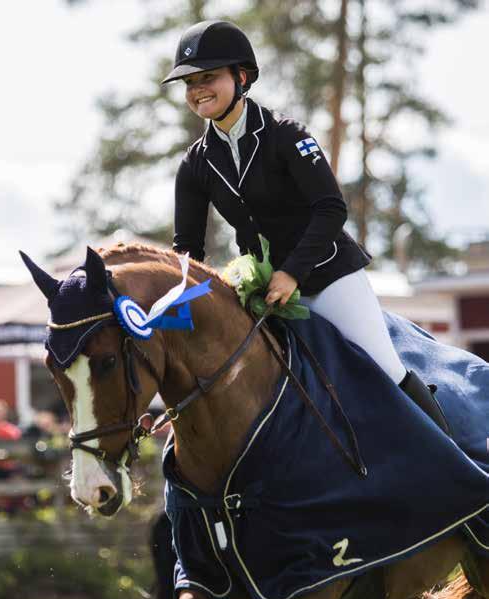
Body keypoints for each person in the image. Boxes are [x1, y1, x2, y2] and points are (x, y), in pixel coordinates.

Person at [162, 19, 449, 432]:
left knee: (385, 368)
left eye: (208, 77)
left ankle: (457, 464)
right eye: (189, 83)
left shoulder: (286, 135)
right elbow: (186, 247)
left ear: (241, 77)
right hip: (261, 290)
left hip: (327, 274)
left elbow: (331, 209)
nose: (197, 90)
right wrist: (177, 304)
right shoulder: (194, 164)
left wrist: (292, 272)